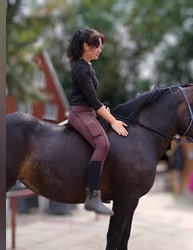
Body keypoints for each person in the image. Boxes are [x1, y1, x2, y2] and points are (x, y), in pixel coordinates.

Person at [67, 28, 128, 216]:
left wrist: (103, 112)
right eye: (97, 47)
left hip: (89, 112)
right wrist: (113, 121)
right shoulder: (80, 67)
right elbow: (92, 101)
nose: (100, 50)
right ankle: (92, 197)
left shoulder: (87, 66)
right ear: (86, 46)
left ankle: (103, 186)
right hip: (80, 114)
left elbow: (93, 101)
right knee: (102, 144)